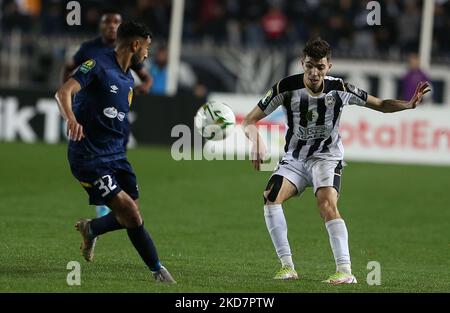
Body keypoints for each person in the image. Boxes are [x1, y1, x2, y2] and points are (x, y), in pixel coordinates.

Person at [243, 38, 431, 284]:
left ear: (328, 67)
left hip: (327, 158)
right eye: (309, 66)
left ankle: (345, 271)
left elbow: (382, 105)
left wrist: (408, 104)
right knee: (270, 196)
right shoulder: (284, 88)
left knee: (326, 204)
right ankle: (287, 267)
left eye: (319, 67)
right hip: (295, 159)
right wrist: (256, 140)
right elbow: (248, 120)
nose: (313, 72)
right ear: (302, 63)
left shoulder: (340, 89)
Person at [54, 21, 175, 283]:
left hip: (117, 157)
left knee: (132, 214)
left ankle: (92, 228)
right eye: (146, 47)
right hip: (89, 157)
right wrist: (70, 119)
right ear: (135, 44)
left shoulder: (128, 78)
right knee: (130, 213)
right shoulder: (97, 65)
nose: (147, 53)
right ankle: (159, 272)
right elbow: (63, 92)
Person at [61, 9, 153, 218]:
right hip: (90, 130)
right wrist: (69, 109)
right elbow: (67, 78)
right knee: (125, 207)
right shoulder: (90, 51)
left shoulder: (129, 58)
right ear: (101, 25)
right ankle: (106, 200)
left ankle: (101, 214)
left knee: (130, 207)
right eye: (107, 21)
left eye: (116, 22)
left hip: (115, 127)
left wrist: (138, 88)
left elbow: (144, 77)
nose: (111, 25)